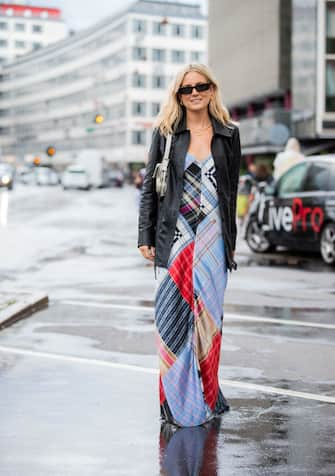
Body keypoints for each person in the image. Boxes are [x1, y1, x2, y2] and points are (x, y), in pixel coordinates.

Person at [138, 64, 241, 427]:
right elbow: (150, 188)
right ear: (178, 96)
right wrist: (145, 237)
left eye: (201, 86)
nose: (194, 92)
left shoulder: (229, 134)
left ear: (212, 90)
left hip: (214, 238)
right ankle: (177, 403)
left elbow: (231, 193)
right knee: (171, 321)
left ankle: (207, 394)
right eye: (186, 89)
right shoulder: (166, 133)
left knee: (208, 324)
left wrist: (230, 245)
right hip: (177, 237)